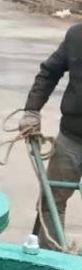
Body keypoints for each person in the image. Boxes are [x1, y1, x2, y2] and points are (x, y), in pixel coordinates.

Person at [20, 23, 82, 249]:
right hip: (72, 136)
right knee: (52, 201)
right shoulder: (76, 36)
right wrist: (32, 110)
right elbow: (49, 72)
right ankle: (49, 258)